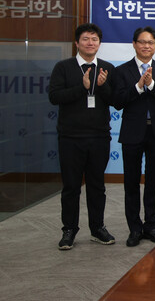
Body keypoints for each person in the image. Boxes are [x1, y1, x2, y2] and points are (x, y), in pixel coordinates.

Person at [48, 23, 116, 250]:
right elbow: (54, 97)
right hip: (70, 138)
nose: (90, 43)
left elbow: (116, 101)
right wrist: (82, 87)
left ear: (99, 43)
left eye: (94, 39)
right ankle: (69, 230)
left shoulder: (107, 68)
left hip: (99, 137)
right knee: (71, 187)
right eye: (86, 39)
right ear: (77, 43)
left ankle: (97, 228)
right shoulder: (63, 67)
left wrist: (102, 87)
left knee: (97, 186)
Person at [113, 26, 155, 247]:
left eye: (151, 43)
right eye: (142, 42)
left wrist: (151, 84)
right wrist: (138, 87)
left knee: (153, 181)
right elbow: (118, 102)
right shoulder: (122, 70)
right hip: (132, 132)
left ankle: (151, 226)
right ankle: (135, 229)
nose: (146, 46)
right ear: (134, 44)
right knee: (131, 182)